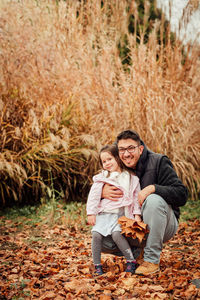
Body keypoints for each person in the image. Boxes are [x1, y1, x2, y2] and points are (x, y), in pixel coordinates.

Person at [102, 130, 188, 275]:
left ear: (140, 149)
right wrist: (102, 192)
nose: (126, 154)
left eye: (131, 148)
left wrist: (153, 188)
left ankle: (151, 260)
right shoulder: (117, 167)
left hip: (164, 224)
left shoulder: (158, 161)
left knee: (153, 200)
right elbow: (97, 187)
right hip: (133, 227)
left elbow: (182, 194)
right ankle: (138, 253)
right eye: (122, 150)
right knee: (101, 238)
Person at [86, 144, 141, 275]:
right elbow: (93, 197)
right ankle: (97, 265)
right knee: (96, 235)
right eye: (104, 161)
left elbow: (135, 198)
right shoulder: (102, 178)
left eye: (109, 159)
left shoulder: (131, 178)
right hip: (104, 214)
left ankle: (130, 261)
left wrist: (137, 214)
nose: (107, 163)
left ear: (117, 157)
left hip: (121, 215)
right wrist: (91, 213)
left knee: (117, 234)